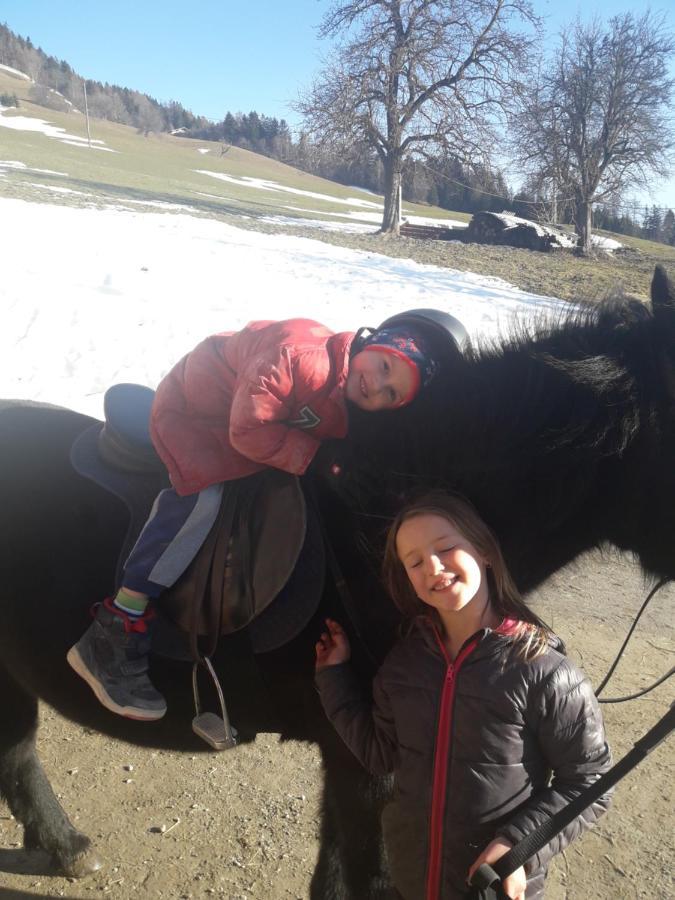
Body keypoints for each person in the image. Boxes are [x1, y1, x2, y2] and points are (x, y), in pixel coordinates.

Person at [68, 312, 467, 722]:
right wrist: (314, 456)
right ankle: (116, 625)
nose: (376, 387)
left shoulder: (348, 389)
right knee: (201, 501)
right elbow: (247, 429)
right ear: (373, 342)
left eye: (390, 394)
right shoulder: (298, 355)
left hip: (248, 425)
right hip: (200, 415)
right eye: (384, 367)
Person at [315, 492, 612, 900]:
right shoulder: (402, 666)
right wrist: (334, 678)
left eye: (446, 548)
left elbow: (589, 780)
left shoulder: (544, 672)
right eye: (415, 561)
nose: (433, 566)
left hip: (488, 889)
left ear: (486, 552)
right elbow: (380, 754)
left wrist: (519, 845)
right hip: (411, 880)